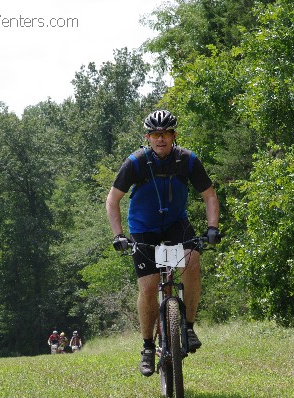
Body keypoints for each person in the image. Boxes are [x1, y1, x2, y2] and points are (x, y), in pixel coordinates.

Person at [106, 109, 220, 377]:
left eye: (166, 134)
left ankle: (188, 327)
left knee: (191, 262)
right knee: (148, 286)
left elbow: (210, 196)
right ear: (148, 137)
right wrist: (118, 235)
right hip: (144, 230)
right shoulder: (135, 162)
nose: (161, 139)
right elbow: (113, 200)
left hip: (175, 225)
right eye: (156, 135)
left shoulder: (188, 160)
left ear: (173, 136)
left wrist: (212, 227)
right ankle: (147, 347)